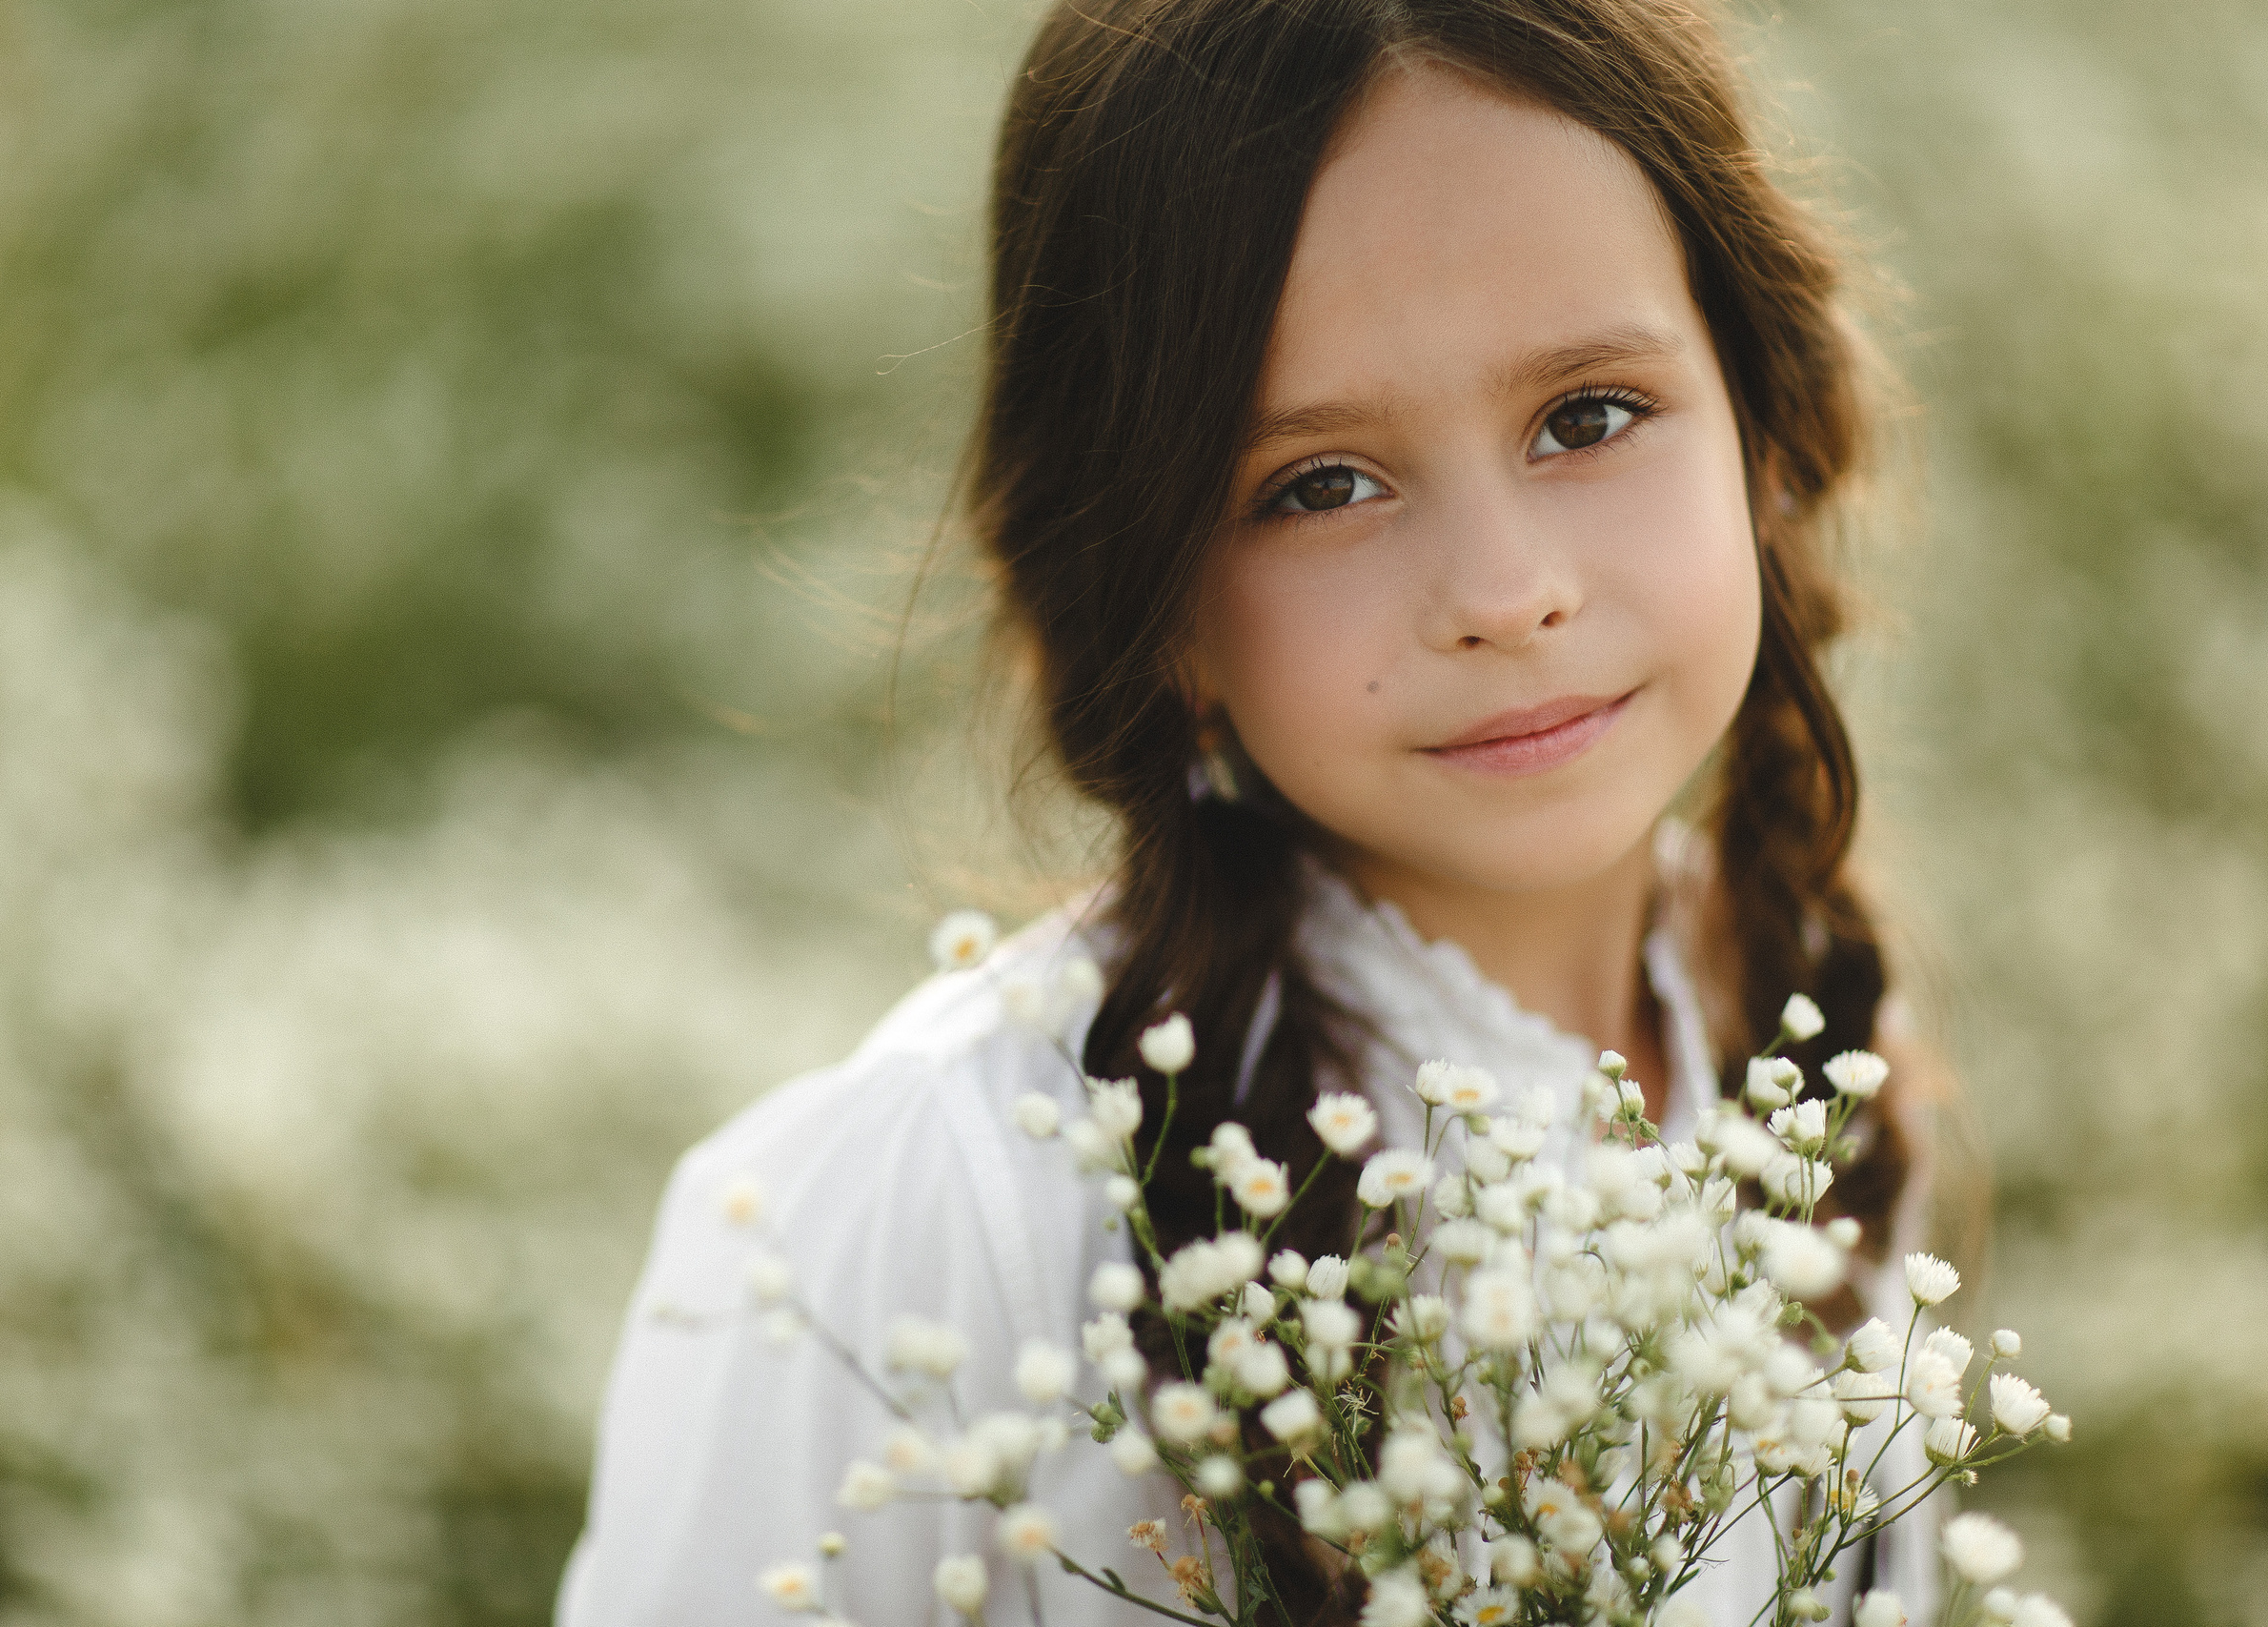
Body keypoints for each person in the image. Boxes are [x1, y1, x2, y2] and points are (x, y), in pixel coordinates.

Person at [558, 1, 1954, 1621]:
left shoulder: (1801, 1049)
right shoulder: (931, 1208)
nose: (1505, 592)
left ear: (1767, 428)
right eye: (1320, 486)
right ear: (1153, 598)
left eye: (1587, 416)